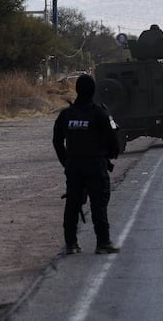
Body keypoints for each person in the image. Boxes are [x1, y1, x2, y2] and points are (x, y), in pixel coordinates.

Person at [53, 74, 121, 255]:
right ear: (94, 91)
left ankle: (71, 244)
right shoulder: (100, 113)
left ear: (77, 90)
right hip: (95, 165)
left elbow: (57, 141)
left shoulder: (66, 115)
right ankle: (103, 243)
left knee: (72, 204)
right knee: (98, 204)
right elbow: (113, 139)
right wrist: (110, 154)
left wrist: (66, 162)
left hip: (74, 166)